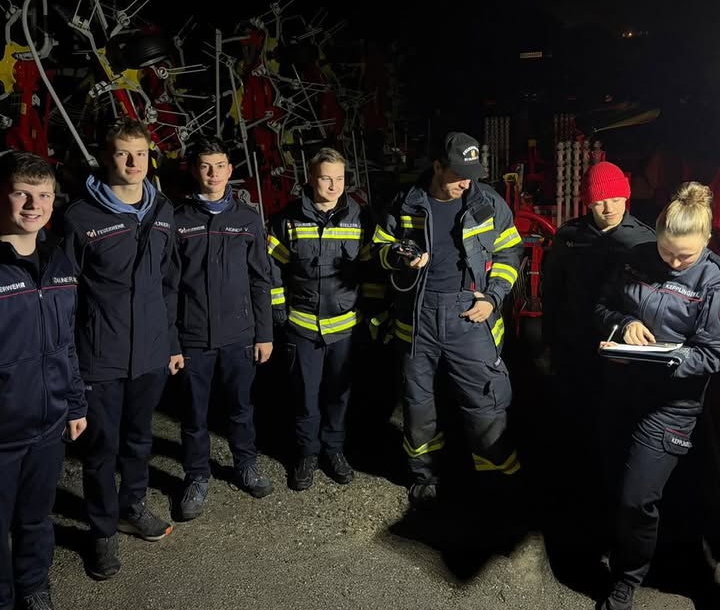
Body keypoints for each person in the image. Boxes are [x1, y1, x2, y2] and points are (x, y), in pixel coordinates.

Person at [372, 131, 523, 507]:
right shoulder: (406, 202)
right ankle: (424, 475)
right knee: (418, 404)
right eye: (458, 174)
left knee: (485, 403)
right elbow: (379, 247)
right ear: (437, 166)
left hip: (470, 315)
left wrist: (493, 298)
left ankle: (497, 480)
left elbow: (509, 253)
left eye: (471, 175)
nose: (466, 183)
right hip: (417, 317)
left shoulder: (488, 203)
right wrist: (399, 256)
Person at [63, 118, 182, 581]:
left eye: (141, 153)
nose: (134, 163)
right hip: (100, 356)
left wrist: (171, 342)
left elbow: (169, 284)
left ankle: (132, 506)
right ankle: (102, 531)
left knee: (139, 440)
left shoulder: (163, 211)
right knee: (100, 449)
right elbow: (64, 295)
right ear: (104, 157)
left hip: (150, 354)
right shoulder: (80, 217)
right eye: (122, 153)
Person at [595, 182, 720, 610]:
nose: (673, 263)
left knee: (637, 498)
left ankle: (628, 578)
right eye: (667, 252)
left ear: (707, 240)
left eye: (685, 256)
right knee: (613, 480)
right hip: (621, 392)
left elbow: (712, 353)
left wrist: (669, 358)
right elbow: (601, 307)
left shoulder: (713, 283)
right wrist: (624, 324)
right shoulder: (637, 259)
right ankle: (621, 544)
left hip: (671, 406)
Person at [0, 152, 87, 610]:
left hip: (49, 422)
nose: (34, 205)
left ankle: (34, 588)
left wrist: (74, 402)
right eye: (21, 193)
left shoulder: (59, 262)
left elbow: (66, 343)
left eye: (44, 195)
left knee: (35, 518)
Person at [173, 136, 273, 520]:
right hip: (192, 336)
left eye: (219, 166)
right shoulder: (178, 220)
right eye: (205, 166)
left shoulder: (247, 219)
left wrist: (264, 333)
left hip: (239, 335)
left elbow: (260, 280)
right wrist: (171, 340)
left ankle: (245, 464)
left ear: (230, 170)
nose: (213, 174)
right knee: (193, 414)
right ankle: (197, 476)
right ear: (194, 170)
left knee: (240, 408)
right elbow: (168, 285)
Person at [541, 162, 655, 500]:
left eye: (616, 199)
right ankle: (573, 488)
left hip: (621, 351)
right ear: (587, 202)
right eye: (600, 202)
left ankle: (613, 490)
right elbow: (553, 291)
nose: (609, 208)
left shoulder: (645, 240)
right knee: (574, 418)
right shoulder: (568, 237)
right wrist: (550, 342)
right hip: (575, 346)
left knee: (617, 423)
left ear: (627, 197)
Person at [267, 147, 371, 491]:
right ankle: (307, 454)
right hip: (302, 327)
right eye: (326, 178)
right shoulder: (288, 219)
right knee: (305, 396)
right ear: (311, 178)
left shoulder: (359, 218)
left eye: (339, 178)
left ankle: (334, 450)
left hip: (344, 328)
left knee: (338, 396)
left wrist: (370, 311)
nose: (334, 186)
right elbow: (272, 266)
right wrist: (278, 307)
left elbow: (369, 268)